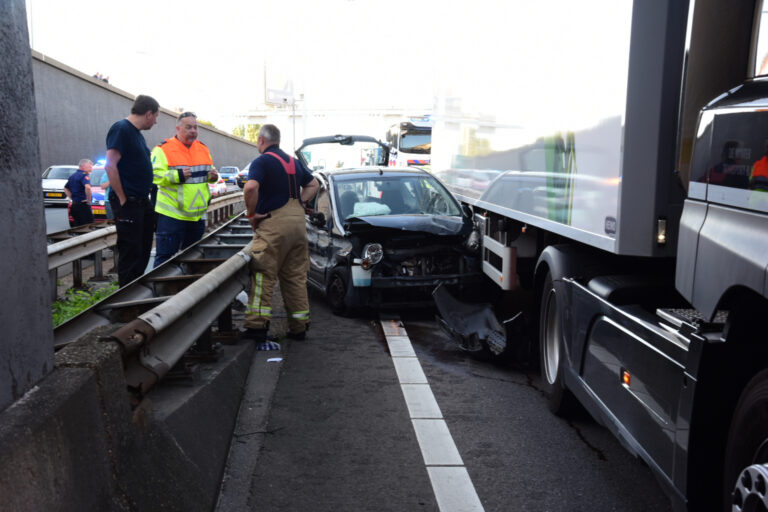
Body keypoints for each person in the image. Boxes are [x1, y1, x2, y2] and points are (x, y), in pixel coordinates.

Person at [242, 124, 319, 350]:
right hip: (298, 224)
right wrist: (302, 203)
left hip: (274, 223)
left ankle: (257, 329)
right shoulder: (294, 162)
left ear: (261, 141)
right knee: (295, 276)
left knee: (264, 274)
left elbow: (250, 188)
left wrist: (251, 214)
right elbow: (313, 184)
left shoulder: (262, 162)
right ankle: (299, 327)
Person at [105, 94, 160, 287]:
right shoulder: (121, 129)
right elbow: (110, 165)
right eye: (156, 116)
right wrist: (122, 198)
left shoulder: (136, 134)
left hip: (141, 201)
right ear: (148, 113)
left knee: (143, 248)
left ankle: (137, 291)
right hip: (129, 201)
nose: (155, 122)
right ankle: (125, 301)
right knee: (131, 250)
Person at [151, 111, 218, 267]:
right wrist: (177, 176)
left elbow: (208, 172)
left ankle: (187, 290)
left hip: (196, 217)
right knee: (165, 261)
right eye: (189, 127)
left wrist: (212, 176)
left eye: (195, 127)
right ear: (178, 128)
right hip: (172, 216)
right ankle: (161, 291)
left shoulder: (203, 149)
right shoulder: (162, 149)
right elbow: (154, 176)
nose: (193, 131)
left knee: (192, 259)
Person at [64, 159, 94, 226]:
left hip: (74, 205)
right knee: (88, 226)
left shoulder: (73, 176)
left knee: (78, 226)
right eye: (90, 166)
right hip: (83, 206)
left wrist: (71, 197)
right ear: (84, 166)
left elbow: (66, 188)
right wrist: (88, 200)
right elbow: (88, 187)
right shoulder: (84, 175)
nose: (91, 168)